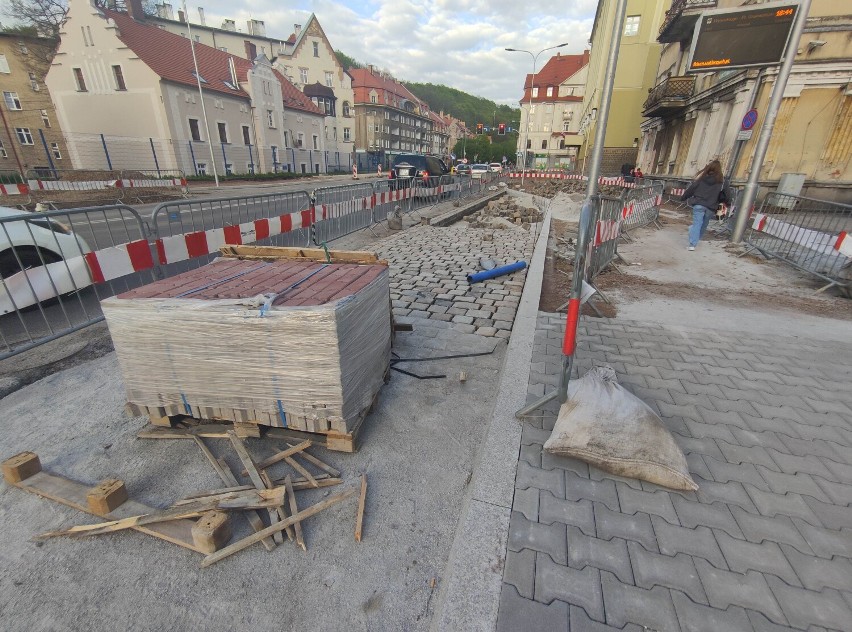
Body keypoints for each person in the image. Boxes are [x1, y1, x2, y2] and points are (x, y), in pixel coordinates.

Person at [681, 160, 729, 251]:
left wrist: (683, 197)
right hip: (711, 206)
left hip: (699, 204)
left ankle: (692, 243)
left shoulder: (702, 178)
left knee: (697, 224)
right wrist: (728, 203)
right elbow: (727, 194)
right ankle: (695, 237)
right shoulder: (722, 181)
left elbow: (692, 189)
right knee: (704, 224)